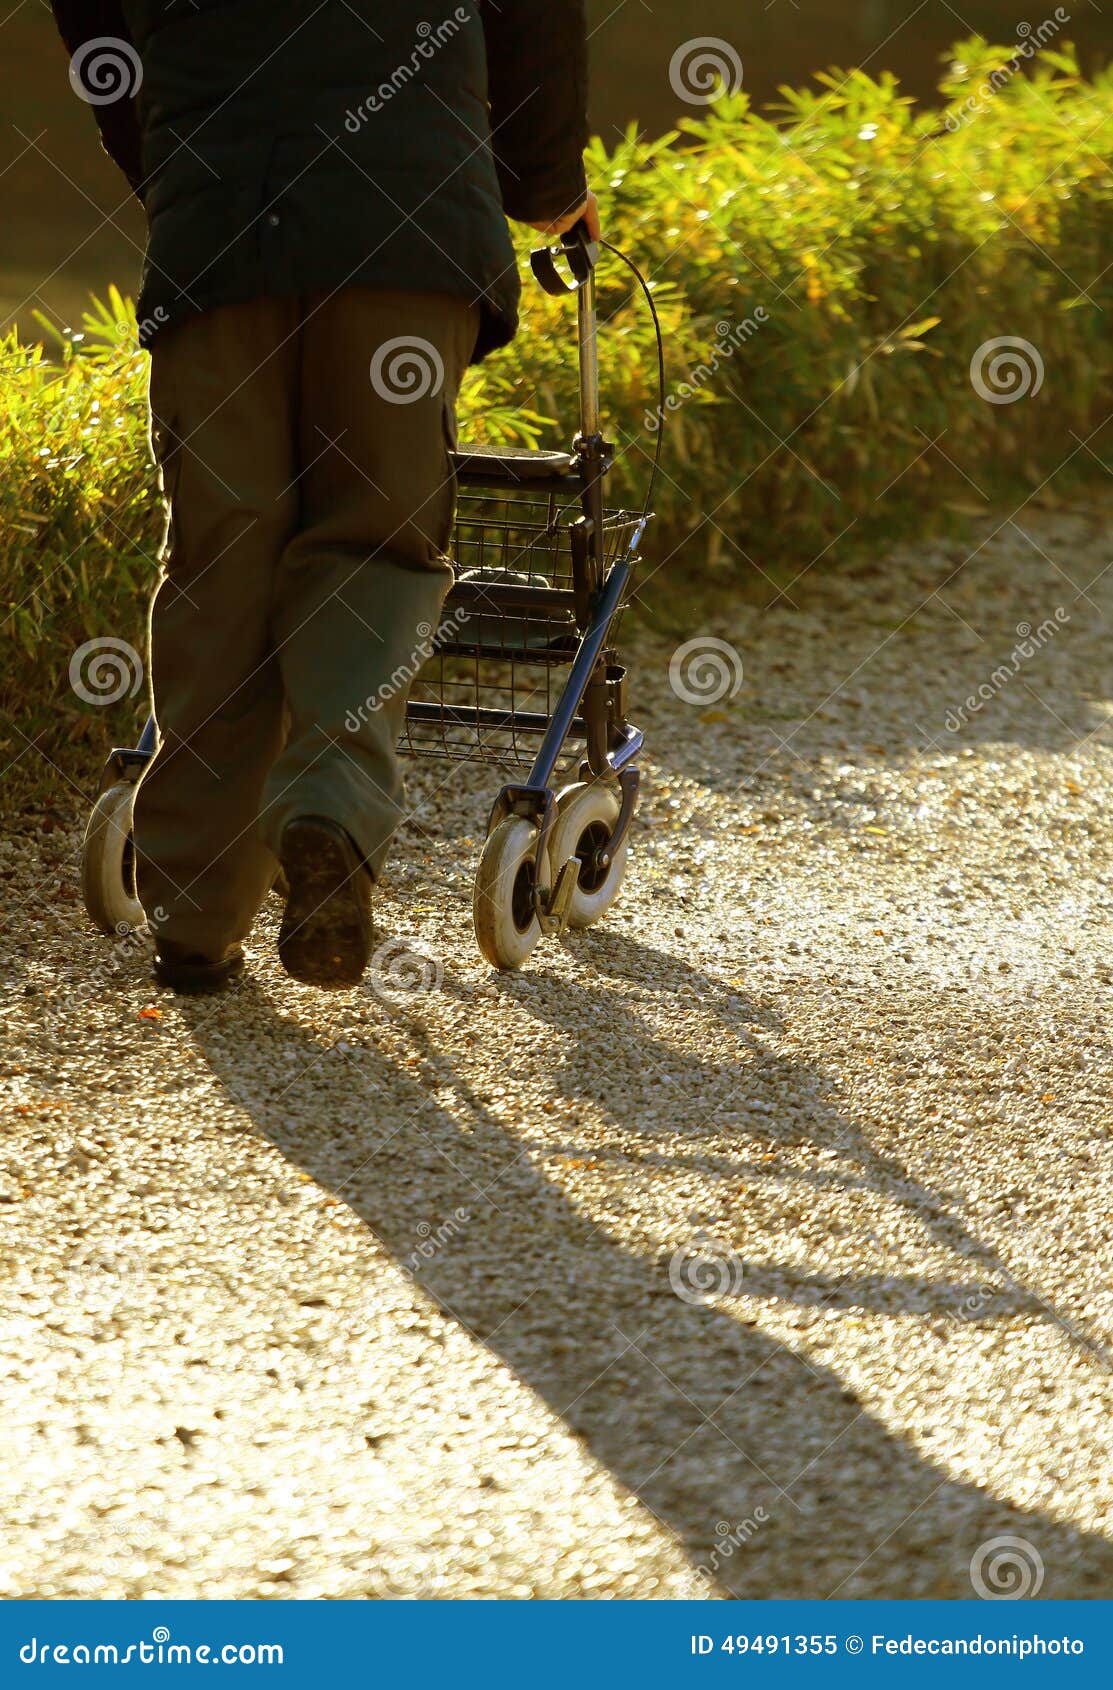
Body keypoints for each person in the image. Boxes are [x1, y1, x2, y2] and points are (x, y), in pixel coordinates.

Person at [52, 0, 599, 992]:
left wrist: (176, 162)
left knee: (223, 552)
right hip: (407, 215)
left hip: (217, 224)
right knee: (373, 543)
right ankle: (328, 823)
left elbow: (99, 33)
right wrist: (547, 180)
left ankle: (194, 913)